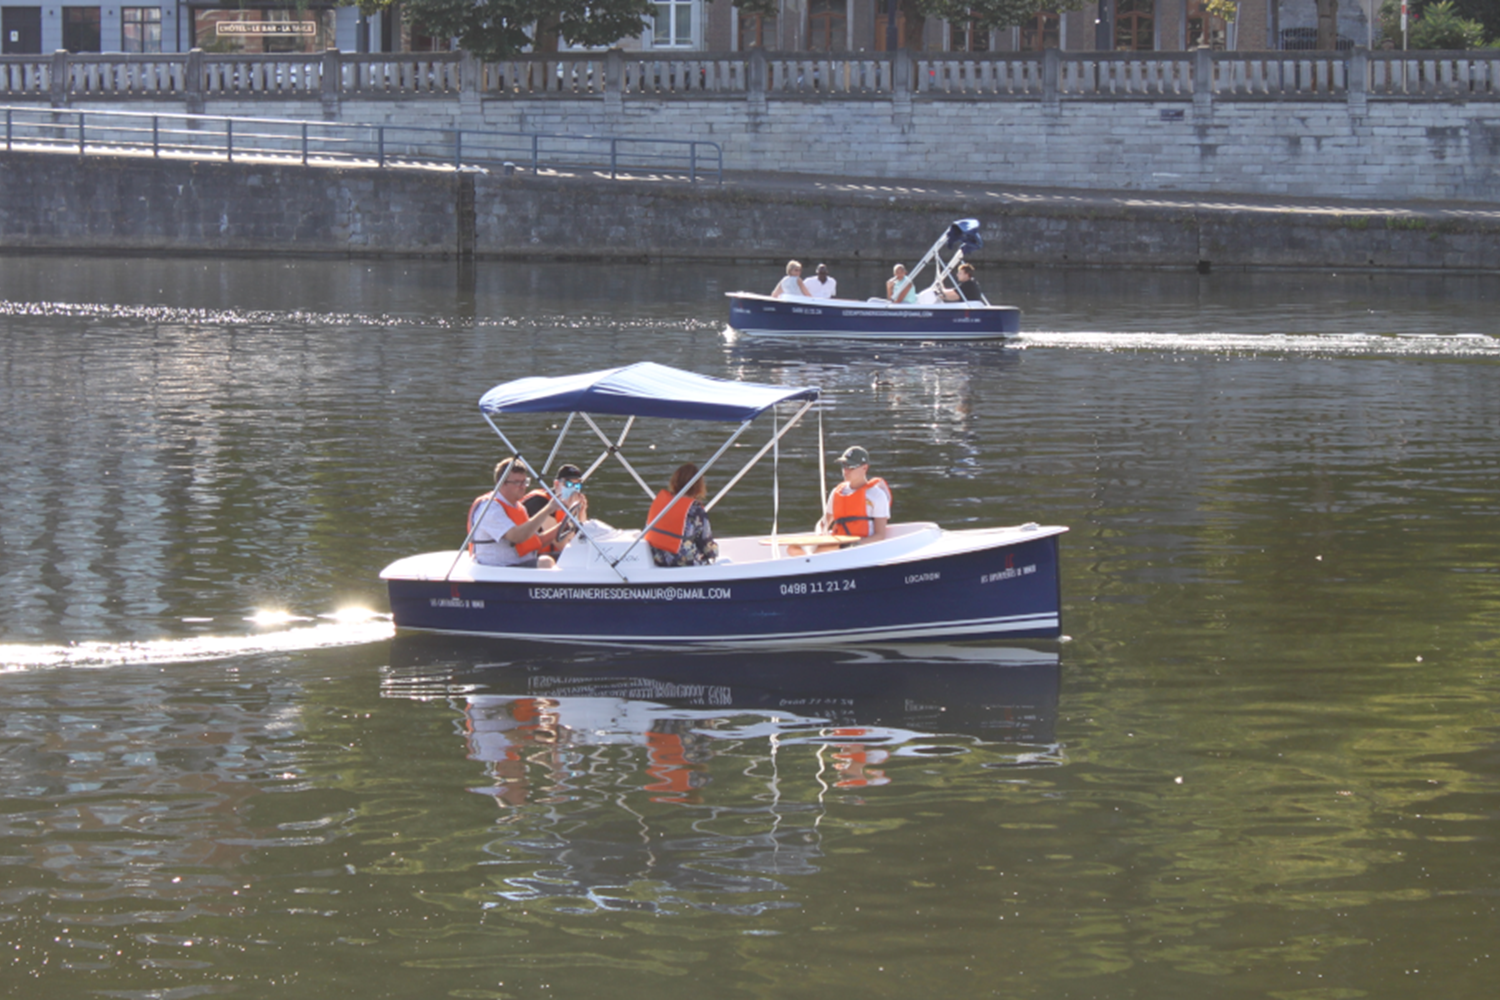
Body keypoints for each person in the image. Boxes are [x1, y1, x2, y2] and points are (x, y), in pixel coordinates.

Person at [467, 457, 579, 568]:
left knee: (572, 556)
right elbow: (516, 537)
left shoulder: (518, 507)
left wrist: (566, 525)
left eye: (525, 482)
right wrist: (548, 509)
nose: (522, 487)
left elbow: (536, 542)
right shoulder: (490, 508)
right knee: (546, 562)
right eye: (517, 482)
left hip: (521, 563)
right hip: (500, 567)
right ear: (502, 483)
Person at [644, 463, 719, 567]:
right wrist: (715, 551)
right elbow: (707, 547)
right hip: (681, 561)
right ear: (699, 486)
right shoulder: (695, 509)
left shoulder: (661, 502)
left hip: (657, 557)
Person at [819, 446, 891, 544]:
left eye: (851, 467)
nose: (846, 471)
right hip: (839, 545)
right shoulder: (836, 492)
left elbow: (880, 535)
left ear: (864, 468)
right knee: (794, 551)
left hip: (863, 548)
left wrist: (855, 545)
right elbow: (823, 523)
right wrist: (820, 533)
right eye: (844, 466)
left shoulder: (877, 495)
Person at [520, 463, 589, 557]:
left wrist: (581, 512)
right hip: (531, 557)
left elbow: (582, 538)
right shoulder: (540, 502)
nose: (573, 489)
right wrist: (571, 512)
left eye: (577, 486)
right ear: (556, 484)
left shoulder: (569, 504)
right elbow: (562, 545)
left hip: (554, 554)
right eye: (568, 484)